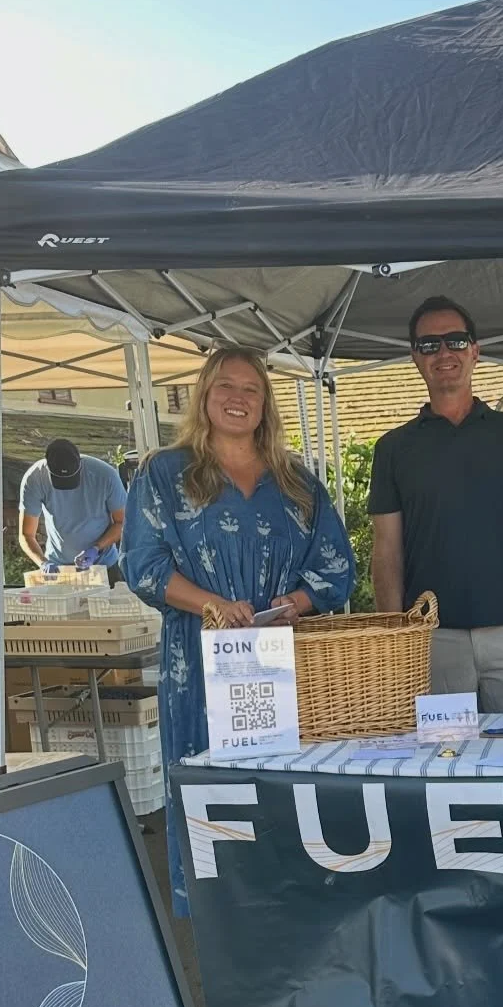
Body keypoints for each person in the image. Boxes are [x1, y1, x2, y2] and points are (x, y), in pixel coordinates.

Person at [122, 349, 354, 912]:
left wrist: (296, 601)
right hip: (200, 665)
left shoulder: (296, 480)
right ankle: (218, 920)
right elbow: (143, 566)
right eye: (225, 385)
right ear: (204, 394)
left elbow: (336, 568)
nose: (238, 397)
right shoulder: (165, 473)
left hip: (279, 664)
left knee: (281, 790)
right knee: (211, 789)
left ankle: (285, 914)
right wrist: (214, 604)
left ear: (266, 404)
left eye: (252, 389)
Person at [370, 297, 503, 711]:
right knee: (439, 768)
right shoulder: (392, 449)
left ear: (474, 350)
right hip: (432, 642)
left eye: (455, 341)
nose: (443, 353)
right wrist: (394, 636)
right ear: (415, 358)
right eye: (429, 345)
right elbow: (386, 550)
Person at [19, 440, 126, 576]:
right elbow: (26, 534)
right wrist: (43, 563)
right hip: (59, 569)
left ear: (80, 464)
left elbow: (122, 522)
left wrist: (96, 548)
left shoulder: (105, 476)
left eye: (71, 479)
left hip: (104, 565)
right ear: (47, 467)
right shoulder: (34, 479)